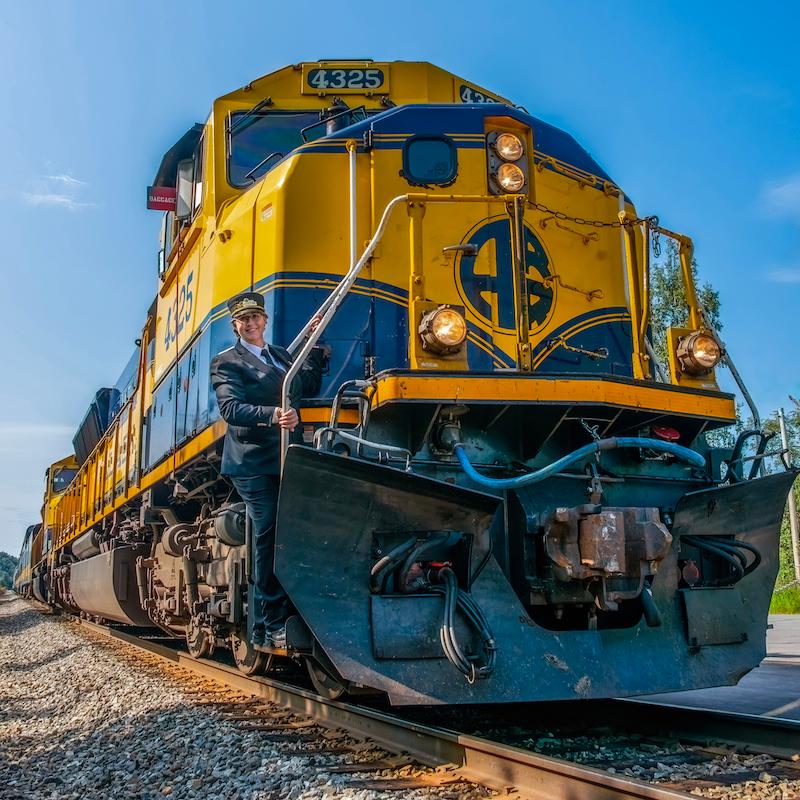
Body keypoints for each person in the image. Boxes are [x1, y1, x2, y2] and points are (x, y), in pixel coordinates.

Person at [210, 291, 326, 648]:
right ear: (236, 326)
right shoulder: (227, 361)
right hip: (254, 462)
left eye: (256, 317)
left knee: (297, 528)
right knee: (270, 530)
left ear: (265, 320)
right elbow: (230, 408)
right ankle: (266, 625)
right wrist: (272, 415)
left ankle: (298, 609)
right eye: (243, 319)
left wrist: (313, 346)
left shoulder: (280, 355)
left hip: (289, 456)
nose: (251, 323)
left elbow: (303, 390)